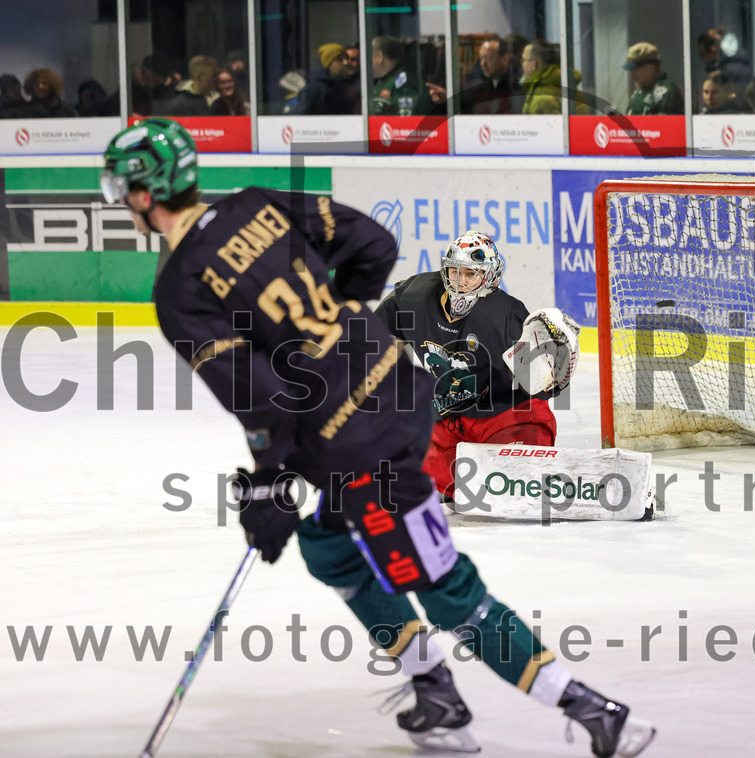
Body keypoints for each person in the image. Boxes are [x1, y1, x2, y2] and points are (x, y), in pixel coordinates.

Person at [100, 117, 656, 758]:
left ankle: (588, 707)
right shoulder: (256, 205)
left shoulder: (177, 290)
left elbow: (260, 399)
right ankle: (436, 691)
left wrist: (268, 479)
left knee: (444, 587)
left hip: (357, 445)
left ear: (143, 196)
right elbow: (374, 245)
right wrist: (342, 330)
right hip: (400, 394)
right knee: (330, 550)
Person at [373, 230, 576, 501]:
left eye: (470, 274)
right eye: (455, 272)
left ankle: (540, 478)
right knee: (400, 474)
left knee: (516, 477)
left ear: (489, 276)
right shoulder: (415, 295)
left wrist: (553, 375)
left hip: (504, 415)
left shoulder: (506, 317)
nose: (460, 281)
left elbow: (538, 388)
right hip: (449, 417)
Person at [427, 35, 522, 115]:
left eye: (488, 57)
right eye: (481, 58)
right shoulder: (476, 86)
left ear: (505, 59)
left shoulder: (517, 85)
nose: (483, 63)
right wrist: (447, 98)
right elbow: (463, 104)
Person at [371, 35, 429, 116]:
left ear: (379, 57)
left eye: (368, 57)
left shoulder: (404, 82)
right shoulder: (380, 82)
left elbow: (405, 117)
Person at [295, 42, 360, 115]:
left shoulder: (343, 86)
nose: (346, 63)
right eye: (339, 59)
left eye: (346, 58)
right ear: (329, 63)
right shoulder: (316, 87)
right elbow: (302, 117)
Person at [622, 42, 683, 116]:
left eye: (635, 70)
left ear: (650, 68)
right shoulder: (638, 92)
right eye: (630, 70)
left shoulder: (667, 93)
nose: (632, 75)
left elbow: (663, 126)